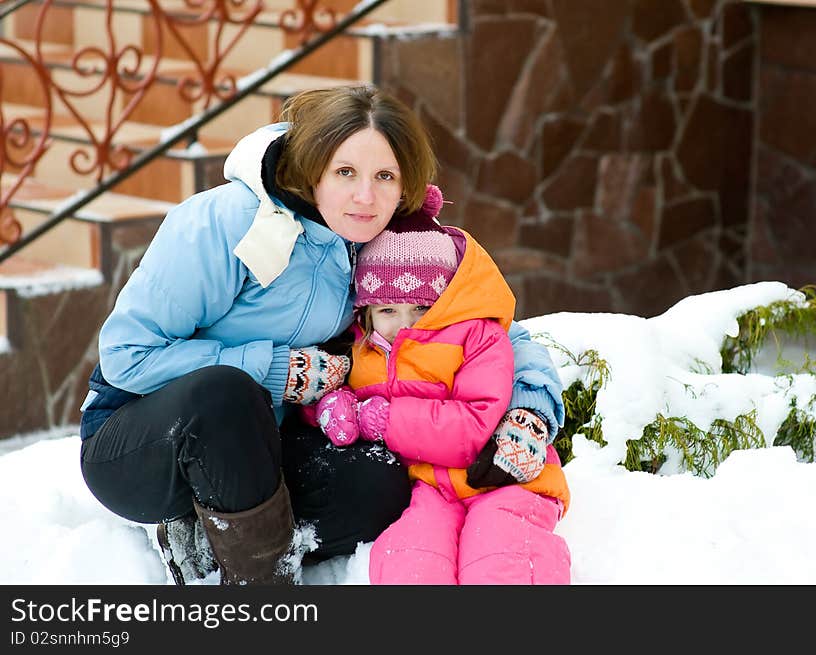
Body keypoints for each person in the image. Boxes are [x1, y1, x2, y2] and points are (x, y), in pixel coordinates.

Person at [78, 84, 566, 585]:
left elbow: (483, 325)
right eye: (346, 172)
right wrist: (278, 371)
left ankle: (210, 540)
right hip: (150, 442)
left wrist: (530, 409)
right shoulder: (225, 223)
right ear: (313, 167)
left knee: (383, 482)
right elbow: (126, 355)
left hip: (266, 447)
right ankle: (261, 586)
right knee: (225, 390)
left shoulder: (390, 238)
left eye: (385, 176)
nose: (365, 196)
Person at [315, 186, 571, 584]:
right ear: (365, 311)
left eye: (422, 307)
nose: (406, 323)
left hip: (500, 476)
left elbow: (474, 421)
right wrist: (329, 408)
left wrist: (384, 420)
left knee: (502, 551)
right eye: (387, 309)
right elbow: (335, 390)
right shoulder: (362, 350)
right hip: (429, 486)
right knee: (412, 554)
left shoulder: (475, 337)